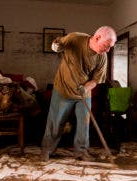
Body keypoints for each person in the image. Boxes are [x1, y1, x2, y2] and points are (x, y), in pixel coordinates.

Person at [40, 26, 117, 161]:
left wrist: (85, 88)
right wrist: (56, 46)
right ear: (97, 38)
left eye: (110, 47)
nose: (108, 50)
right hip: (63, 89)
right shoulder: (75, 38)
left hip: (83, 92)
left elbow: (96, 80)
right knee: (56, 122)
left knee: (84, 123)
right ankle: (47, 149)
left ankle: (81, 152)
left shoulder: (102, 57)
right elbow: (57, 46)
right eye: (107, 45)